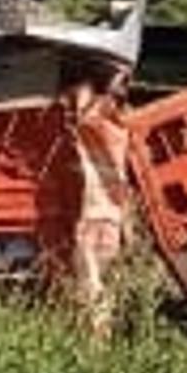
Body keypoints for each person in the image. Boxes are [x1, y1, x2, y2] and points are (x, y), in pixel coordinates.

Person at [56, 58, 136, 340]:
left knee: (94, 279)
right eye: (121, 78)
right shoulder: (99, 112)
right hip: (94, 215)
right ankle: (95, 341)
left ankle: (94, 337)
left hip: (102, 213)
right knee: (92, 280)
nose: (127, 86)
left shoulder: (108, 116)